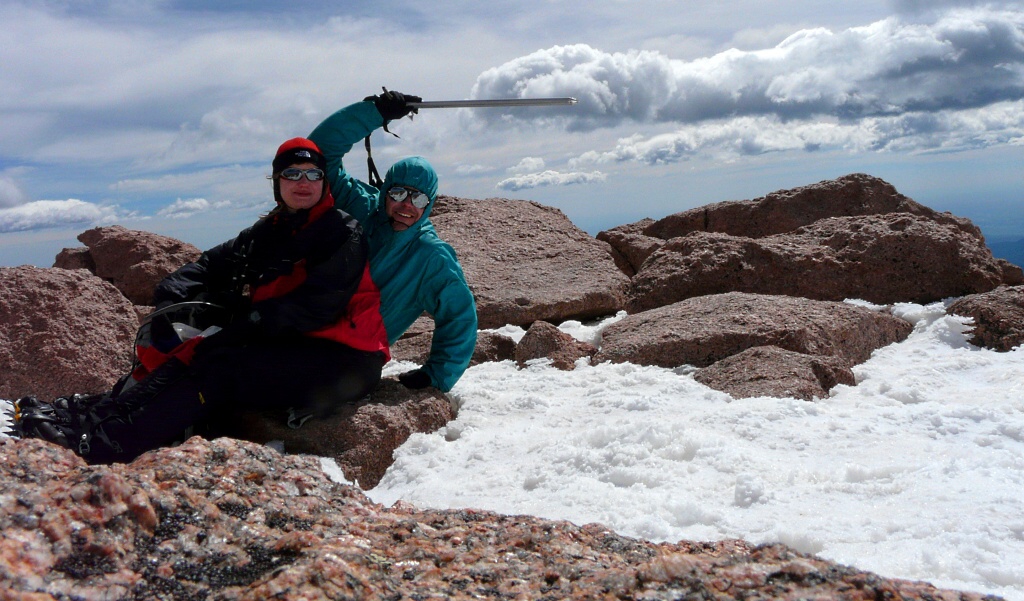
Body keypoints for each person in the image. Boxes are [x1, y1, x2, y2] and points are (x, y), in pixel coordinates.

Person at [11, 138, 390, 463]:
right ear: (277, 182)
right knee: (197, 351)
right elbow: (213, 262)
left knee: (219, 364)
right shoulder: (272, 229)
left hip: (346, 361)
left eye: (313, 174)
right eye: (292, 174)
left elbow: (315, 307)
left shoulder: (341, 231)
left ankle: (111, 444)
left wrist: (244, 327)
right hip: (297, 342)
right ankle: (95, 415)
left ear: (325, 182)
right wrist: (169, 295)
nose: (303, 182)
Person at [307, 90, 477, 393]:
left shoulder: (430, 257)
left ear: (430, 205)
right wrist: (373, 114)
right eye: (398, 193)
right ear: (385, 192)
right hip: (305, 326)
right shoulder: (361, 207)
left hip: (352, 356)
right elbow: (319, 156)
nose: (406, 205)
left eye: (419, 198)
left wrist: (436, 375)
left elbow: (459, 316)